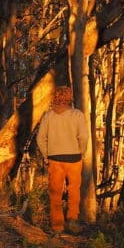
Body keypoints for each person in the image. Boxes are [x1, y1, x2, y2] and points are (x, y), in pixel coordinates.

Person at [36, 85, 89, 234]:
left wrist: (47, 155)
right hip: (74, 158)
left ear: (55, 98)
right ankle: (72, 219)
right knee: (74, 191)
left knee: (55, 193)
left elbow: (40, 139)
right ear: (69, 97)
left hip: (55, 159)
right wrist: (81, 152)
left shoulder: (48, 116)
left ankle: (57, 227)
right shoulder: (77, 115)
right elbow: (84, 137)